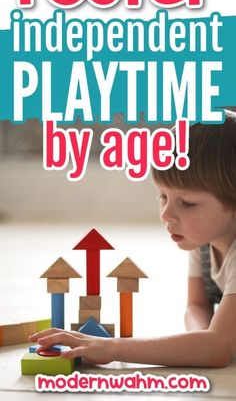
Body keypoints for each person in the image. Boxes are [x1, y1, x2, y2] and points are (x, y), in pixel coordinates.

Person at [30, 110, 236, 367]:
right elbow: (196, 306)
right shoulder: (204, 241)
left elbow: (217, 351)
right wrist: (201, 340)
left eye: (188, 203)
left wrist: (112, 347)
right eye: (163, 196)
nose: (166, 214)